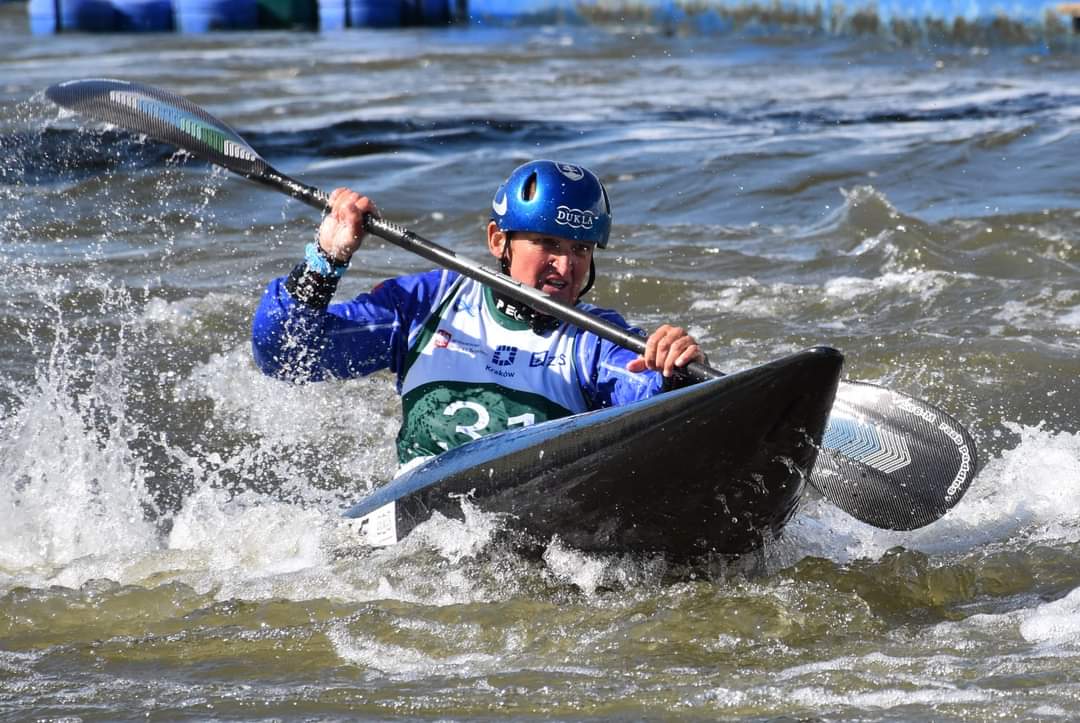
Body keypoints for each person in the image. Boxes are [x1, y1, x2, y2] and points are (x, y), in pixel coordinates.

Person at [252, 160, 705, 468]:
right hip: (419, 524)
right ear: (497, 241)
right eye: (547, 244)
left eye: (580, 249)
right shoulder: (423, 305)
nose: (566, 267)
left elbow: (653, 404)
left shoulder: (596, 338)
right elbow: (287, 355)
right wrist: (325, 261)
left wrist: (674, 373)